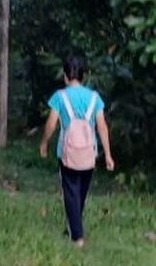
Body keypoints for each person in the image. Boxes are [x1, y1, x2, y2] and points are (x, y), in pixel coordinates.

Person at [37, 56, 115, 247]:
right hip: (89, 153)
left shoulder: (60, 97)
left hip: (67, 153)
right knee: (80, 192)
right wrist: (108, 154)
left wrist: (44, 142)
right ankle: (74, 225)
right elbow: (102, 127)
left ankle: (77, 236)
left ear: (65, 76)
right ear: (84, 76)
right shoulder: (94, 98)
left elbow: (51, 124)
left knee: (70, 192)